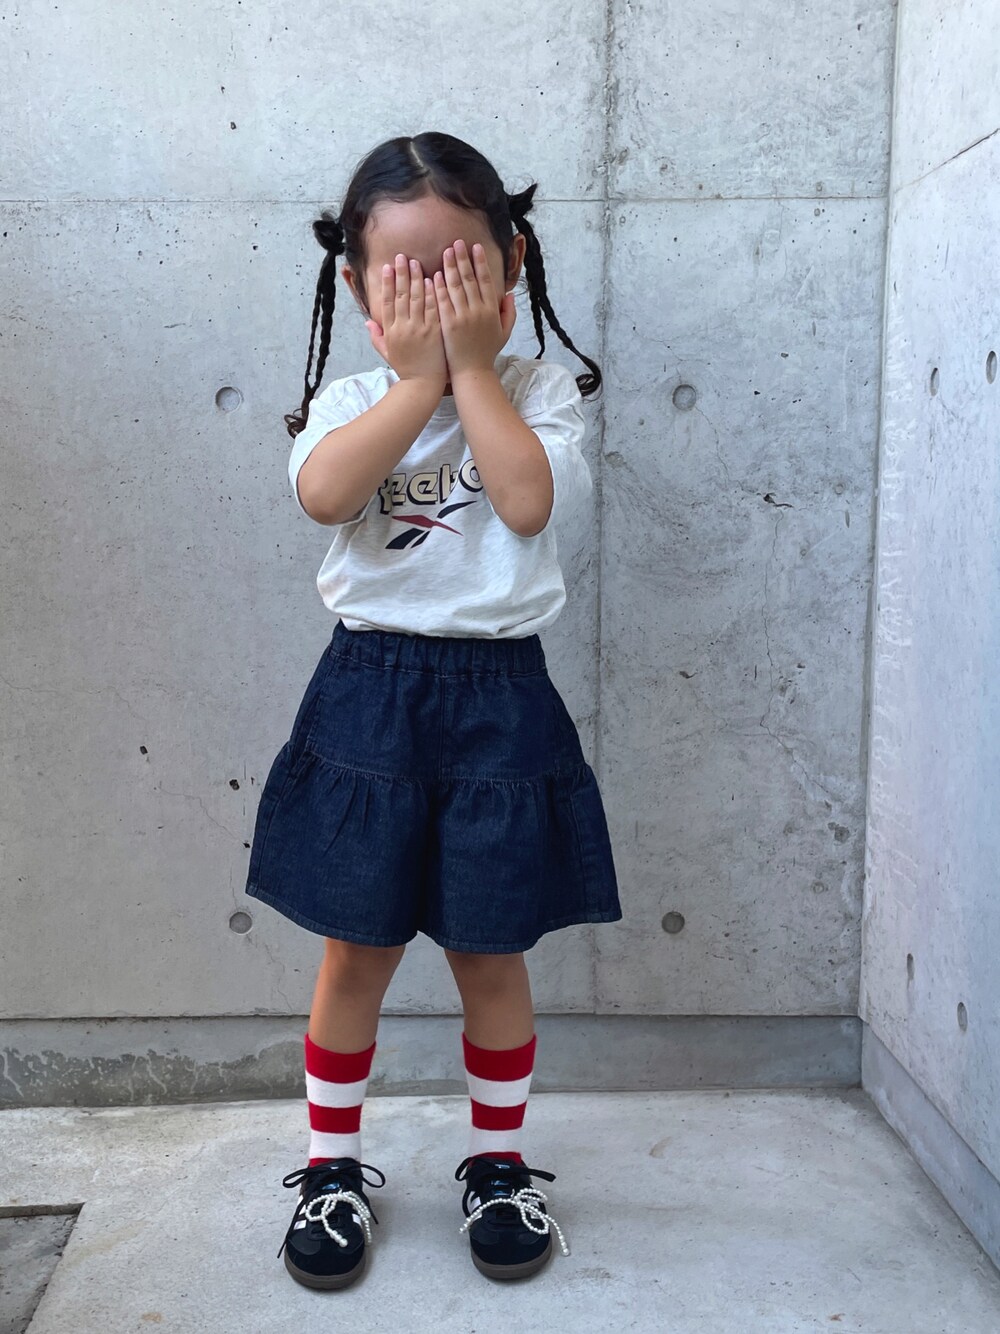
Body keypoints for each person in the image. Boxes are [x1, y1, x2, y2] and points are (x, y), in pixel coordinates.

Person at [244, 130, 621, 1290]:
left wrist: (468, 370)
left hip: (501, 701)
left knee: (490, 948)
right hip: (368, 695)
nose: (436, 297)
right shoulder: (354, 398)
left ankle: (498, 1163)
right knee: (354, 949)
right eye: (407, 277)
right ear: (359, 289)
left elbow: (524, 502)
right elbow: (324, 494)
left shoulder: (539, 393)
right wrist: (416, 381)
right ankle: (330, 1165)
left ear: (512, 266)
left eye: (460, 270)